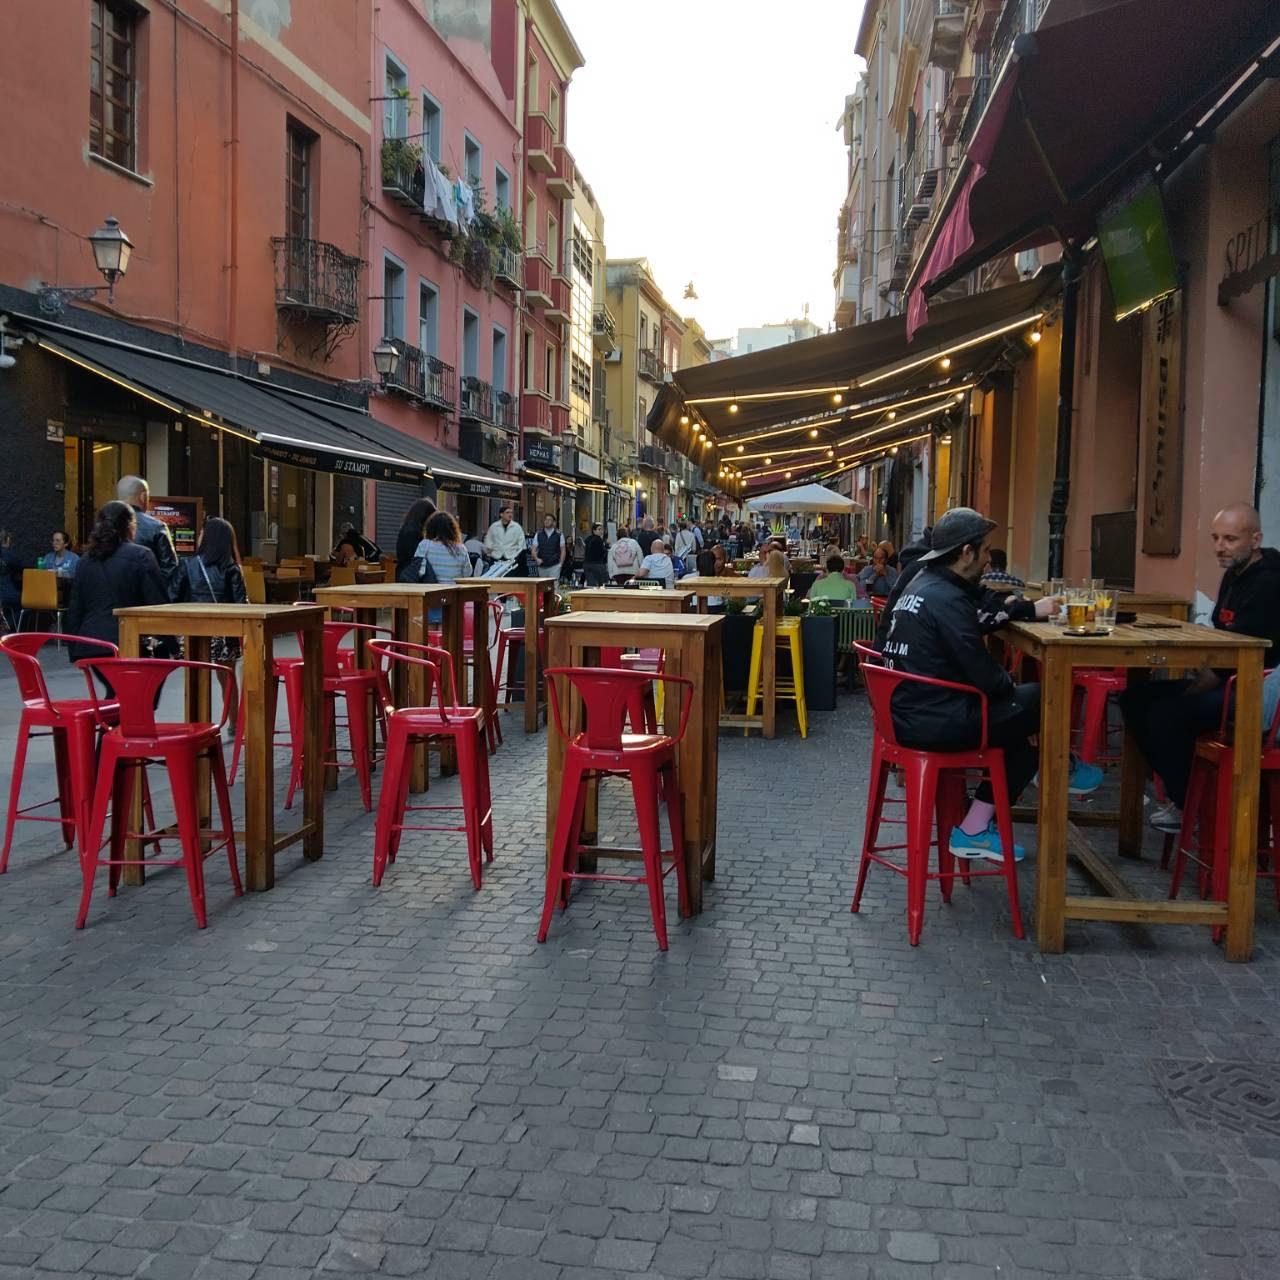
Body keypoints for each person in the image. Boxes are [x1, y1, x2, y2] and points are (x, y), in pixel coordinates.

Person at [882, 507, 1094, 861]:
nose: (988, 561)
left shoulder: (924, 583)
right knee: (1043, 699)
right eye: (984, 551)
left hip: (910, 711)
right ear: (967, 552)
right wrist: (1013, 692)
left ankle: (979, 825)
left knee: (1023, 734)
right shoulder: (948, 599)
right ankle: (1059, 768)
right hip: (934, 720)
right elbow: (987, 679)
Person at [1120, 503, 1280, 833]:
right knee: (1134, 698)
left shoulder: (1268, 583)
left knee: (1166, 713)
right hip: (1228, 679)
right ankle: (1189, 794)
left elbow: (1239, 655)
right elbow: (1223, 636)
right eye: (1216, 538)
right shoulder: (1235, 573)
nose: (1220, 547)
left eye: (1230, 539)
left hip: (1257, 693)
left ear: (1255, 539)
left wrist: (1193, 685)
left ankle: (1190, 805)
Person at [66, 501, 169, 667]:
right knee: (146, 682)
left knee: (113, 684)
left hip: (91, 645)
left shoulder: (85, 560)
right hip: (132, 643)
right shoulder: (141, 555)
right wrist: (168, 643)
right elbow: (157, 602)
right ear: (130, 526)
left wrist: (74, 649)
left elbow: (76, 607)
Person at [177, 517, 248, 734]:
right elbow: (241, 605)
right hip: (223, 633)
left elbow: (173, 596)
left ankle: (196, 724)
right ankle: (234, 724)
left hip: (193, 630)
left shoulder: (187, 565)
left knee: (195, 677)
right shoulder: (231, 568)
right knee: (226, 678)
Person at [117, 475, 179, 598]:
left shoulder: (103, 526)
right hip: (145, 600)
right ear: (143, 496)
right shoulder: (156, 527)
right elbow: (170, 570)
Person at [418, 511, 473, 623]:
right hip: (453, 598)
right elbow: (467, 573)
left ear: (431, 528)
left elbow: (419, 571)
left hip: (430, 595)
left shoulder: (425, 545)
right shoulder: (461, 549)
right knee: (449, 631)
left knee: (430, 632)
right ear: (453, 529)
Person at [395, 498, 437, 576]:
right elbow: (417, 560)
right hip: (410, 577)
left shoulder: (406, 529)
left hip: (404, 573)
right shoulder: (414, 534)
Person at [483, 505, 527, 569]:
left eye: (511, 513)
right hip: (496, 560)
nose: (510, 514)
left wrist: (516, 557)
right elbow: (488, 543)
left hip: (512, 560)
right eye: (507, 512)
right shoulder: (494, 527)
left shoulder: (517, 527)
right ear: (501, 514)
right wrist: (490, 555)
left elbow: (522, 545)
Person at [533, 514, 566, 580]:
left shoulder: (559, 535)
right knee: (543, 585)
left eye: (549, 520)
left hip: (554, 566)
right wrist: (536, 558)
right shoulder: (538, 534)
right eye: (545, 519)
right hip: (542, 566)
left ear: (554, 522)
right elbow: (533, 549)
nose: (547, 521)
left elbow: (563, 550)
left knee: (554, 584)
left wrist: (560, 564)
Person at [0, 530, 21, 628]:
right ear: (7, 540)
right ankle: (7, 627)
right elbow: (24, 567)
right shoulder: (8, 555)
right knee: (21, 603)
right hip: (5, 594)